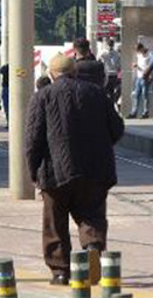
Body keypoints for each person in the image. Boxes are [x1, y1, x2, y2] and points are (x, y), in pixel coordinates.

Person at [24, 53, 124, 286]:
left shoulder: (43, 96)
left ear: (51, 74)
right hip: (94, 169)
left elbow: (32, 139)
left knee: (54, 222)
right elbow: (117, 129)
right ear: (74, 72)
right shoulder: (97, 94)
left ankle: (60, 272)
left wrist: (33, 171)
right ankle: (92, 247)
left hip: (55, 171)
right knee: (92, 214)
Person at [129, 44, 150, 119]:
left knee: (145, 95)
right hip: (139, 77)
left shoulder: (148, 56)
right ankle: (134, 112)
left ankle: (145, 112)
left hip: (145, 77)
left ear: (142, 48)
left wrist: (137, 67)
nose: (138, 52)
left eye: (139, 50)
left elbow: (148, 69)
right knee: (136, 95)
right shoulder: (139, 55)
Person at [99, 38, 121, 104]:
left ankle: (111, 103)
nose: (110, 47)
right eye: (109, 45)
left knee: (110, 91)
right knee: (107, 90)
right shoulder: (104, 53)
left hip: (112, 74)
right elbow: (98, 60)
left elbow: (118, 65)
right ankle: (108, 103)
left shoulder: (115, 53)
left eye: (111, 45)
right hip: (108, 74)